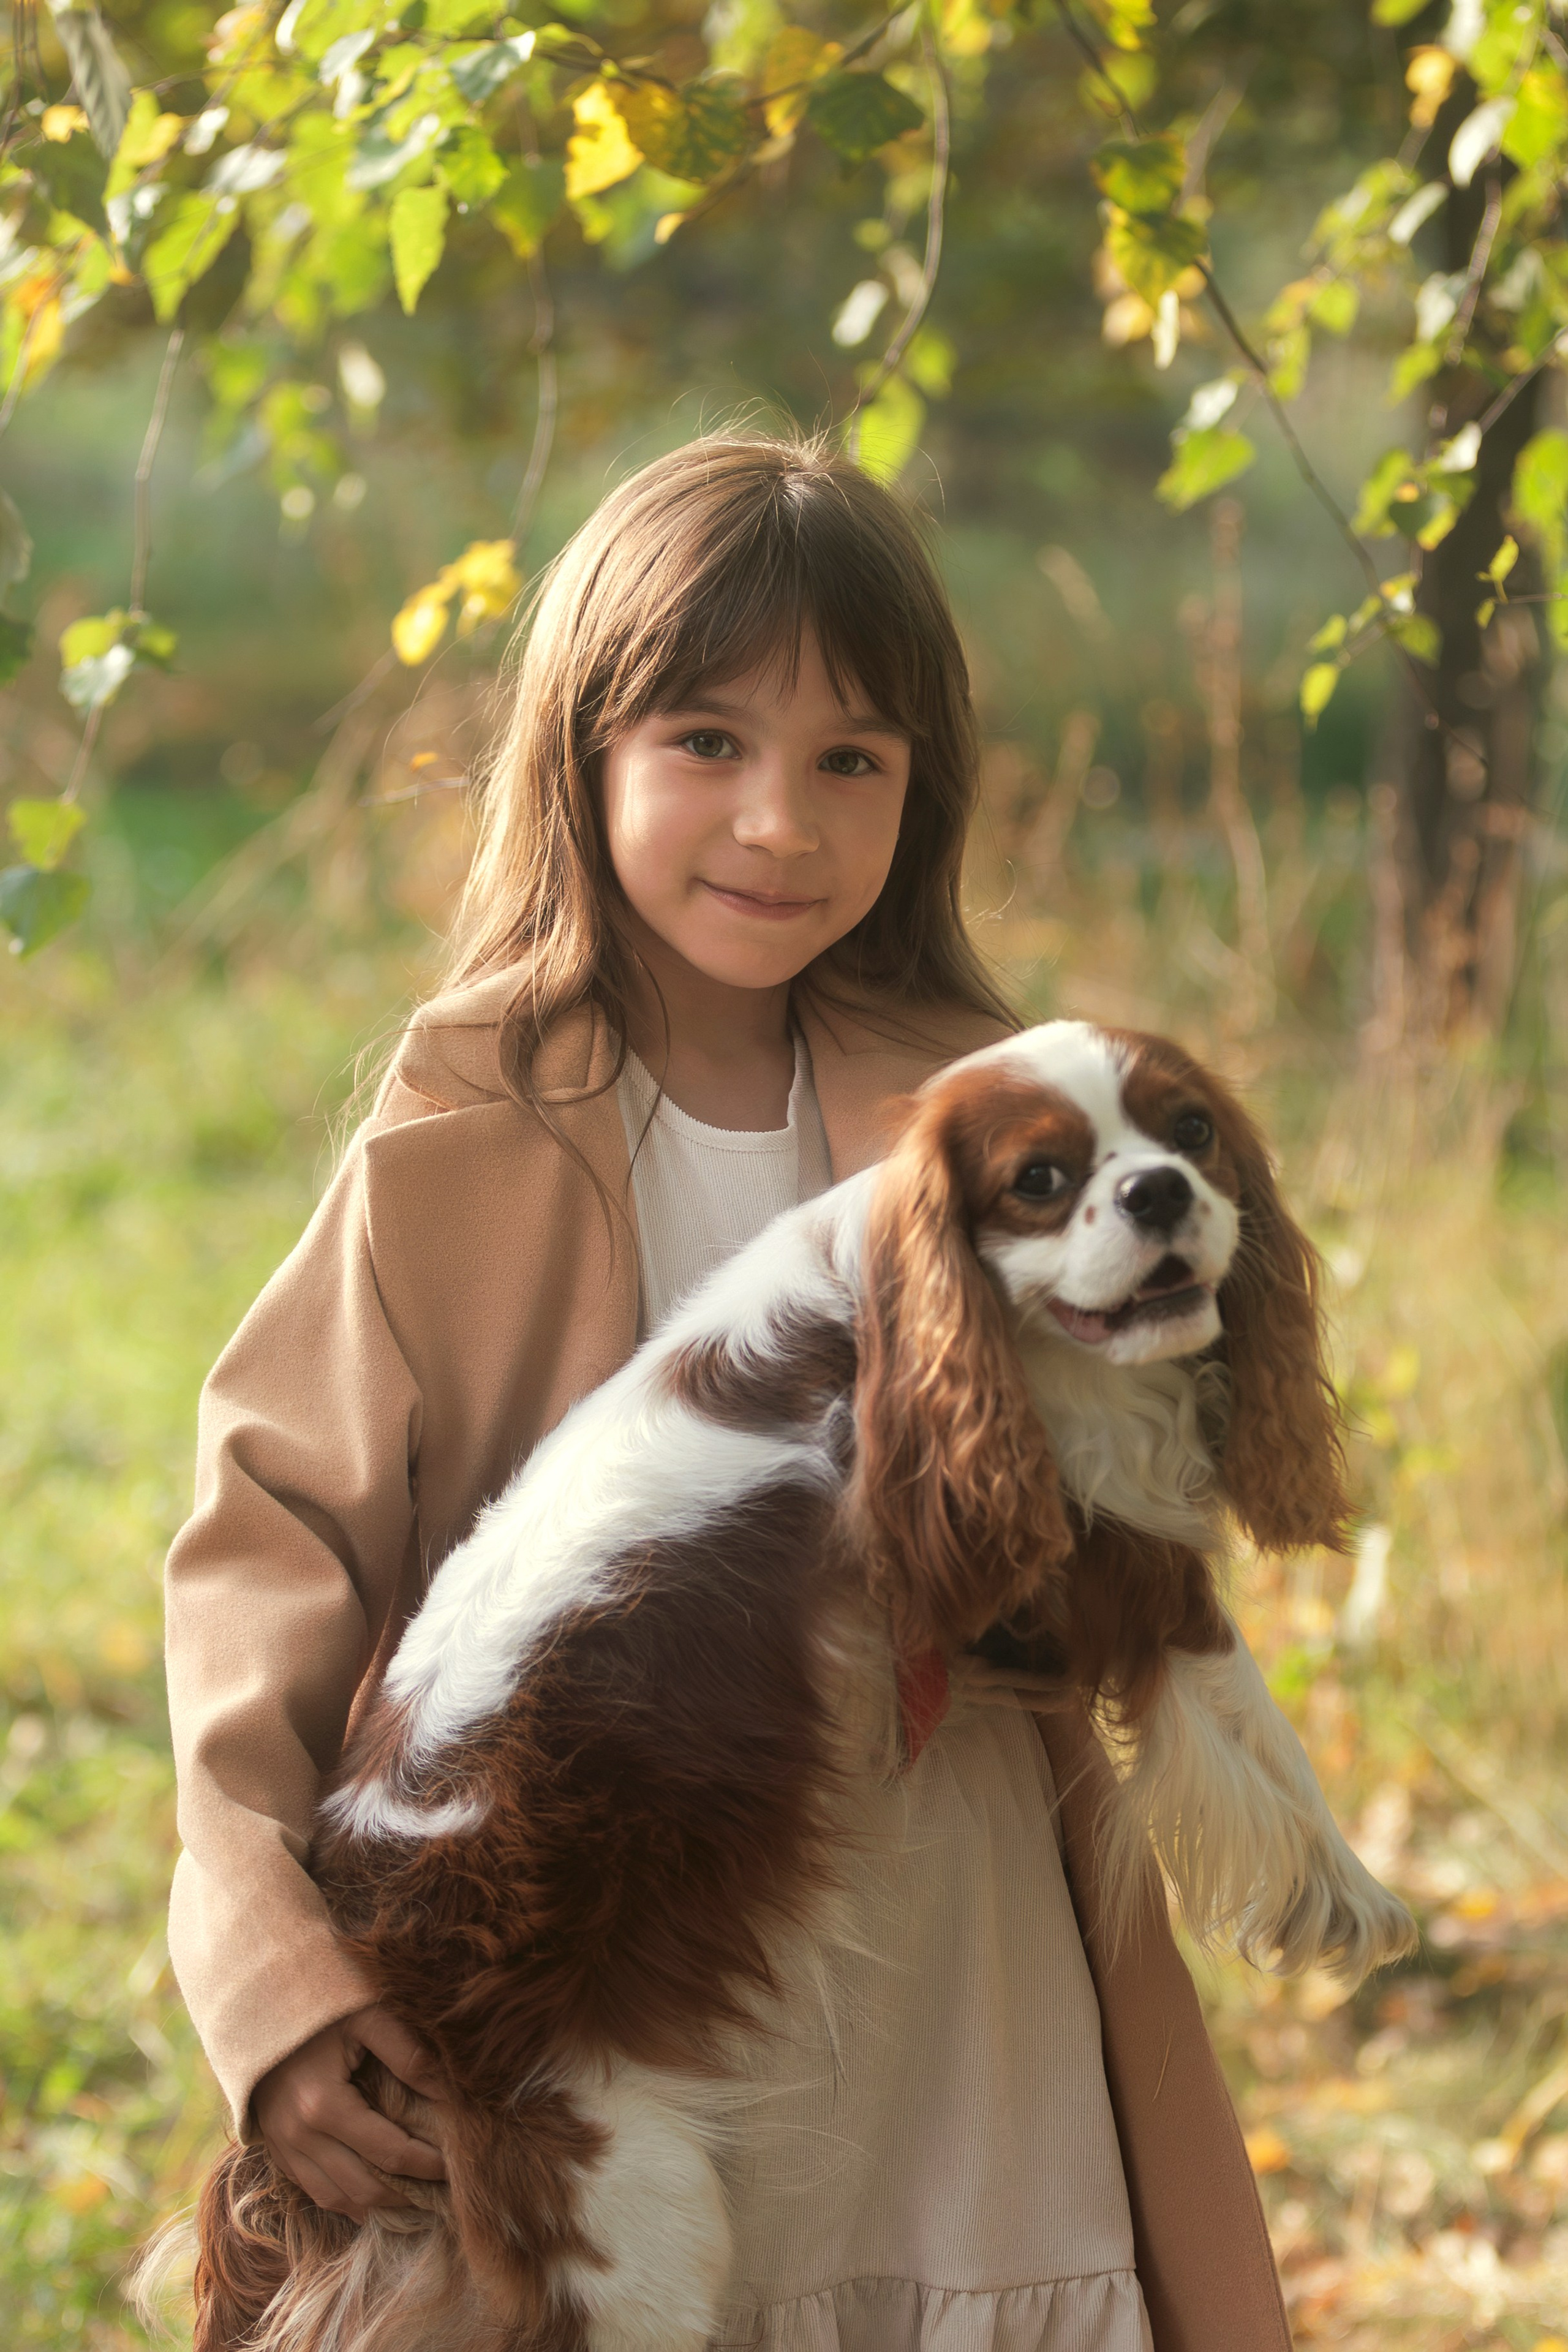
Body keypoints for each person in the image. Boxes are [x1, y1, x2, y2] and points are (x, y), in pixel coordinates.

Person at [163, 433, 1289, 2351]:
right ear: (584, 749)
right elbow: (265, 1561)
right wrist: (270, 1968)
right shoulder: (464, 1131)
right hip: (623, 1958)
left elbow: (1119, 1477)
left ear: (922, 787)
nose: (779, 821)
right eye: (707, 741)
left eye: (852, 758)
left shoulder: (996, 1114)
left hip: (959, 1961)